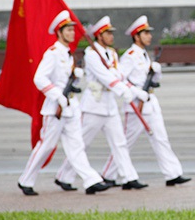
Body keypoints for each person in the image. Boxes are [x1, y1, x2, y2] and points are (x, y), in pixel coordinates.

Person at [18, 10, 111, 195]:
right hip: (55, 108)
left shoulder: (68, 54)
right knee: (46, 146)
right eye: (67, 30)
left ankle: (91, 180)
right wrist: (56, 95)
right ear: (59, 32)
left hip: (70, 107)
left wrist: (76, 78)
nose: (71, 33)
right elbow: (39, 78)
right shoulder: (53, 53)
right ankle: (25, 180)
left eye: (72, 30)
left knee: (76, 145)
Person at [55, 16, 149, 191]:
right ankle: (64, 176)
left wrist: (121, 82)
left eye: (111, 33)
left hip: (109, 104)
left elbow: (119, 74)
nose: (111, 37)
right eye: (107, 33)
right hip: (94, 104)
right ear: (99, 36)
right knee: (82, 143)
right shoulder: (91, 54)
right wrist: (122, 89)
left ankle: (129, 177)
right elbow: (105, 77)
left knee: (119, 142)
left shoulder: (112, 53)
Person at [101, 15, 191, 187]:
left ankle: (172, 173)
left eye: (149, 33)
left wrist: (156, 72)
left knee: (161, 138)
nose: (149, 36)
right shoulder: (130, 56)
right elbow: (121, 79)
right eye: (145, 33)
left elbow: (153, 79)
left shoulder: (144, 55)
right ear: (137, 36)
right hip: (136, 104)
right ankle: (108, 174)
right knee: (126, 142)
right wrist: (136, 92)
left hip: (150, 101)